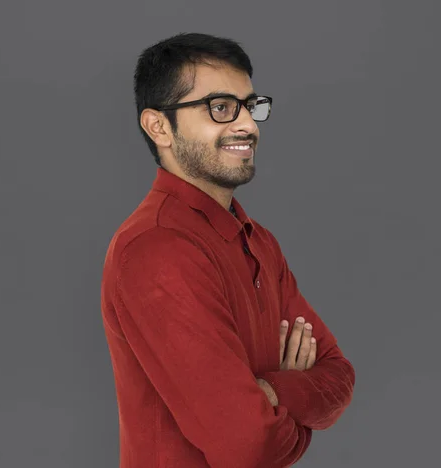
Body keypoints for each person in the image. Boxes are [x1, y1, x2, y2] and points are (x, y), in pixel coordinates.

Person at [100, 32, 355, 468]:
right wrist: (295, 399)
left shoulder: (258, 241)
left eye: (251, 106)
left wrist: (273, 391)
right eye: (220, 108)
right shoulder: (156, 250)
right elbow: (249, 447)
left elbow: (338, 375)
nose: (248, 125)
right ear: (158, 126)